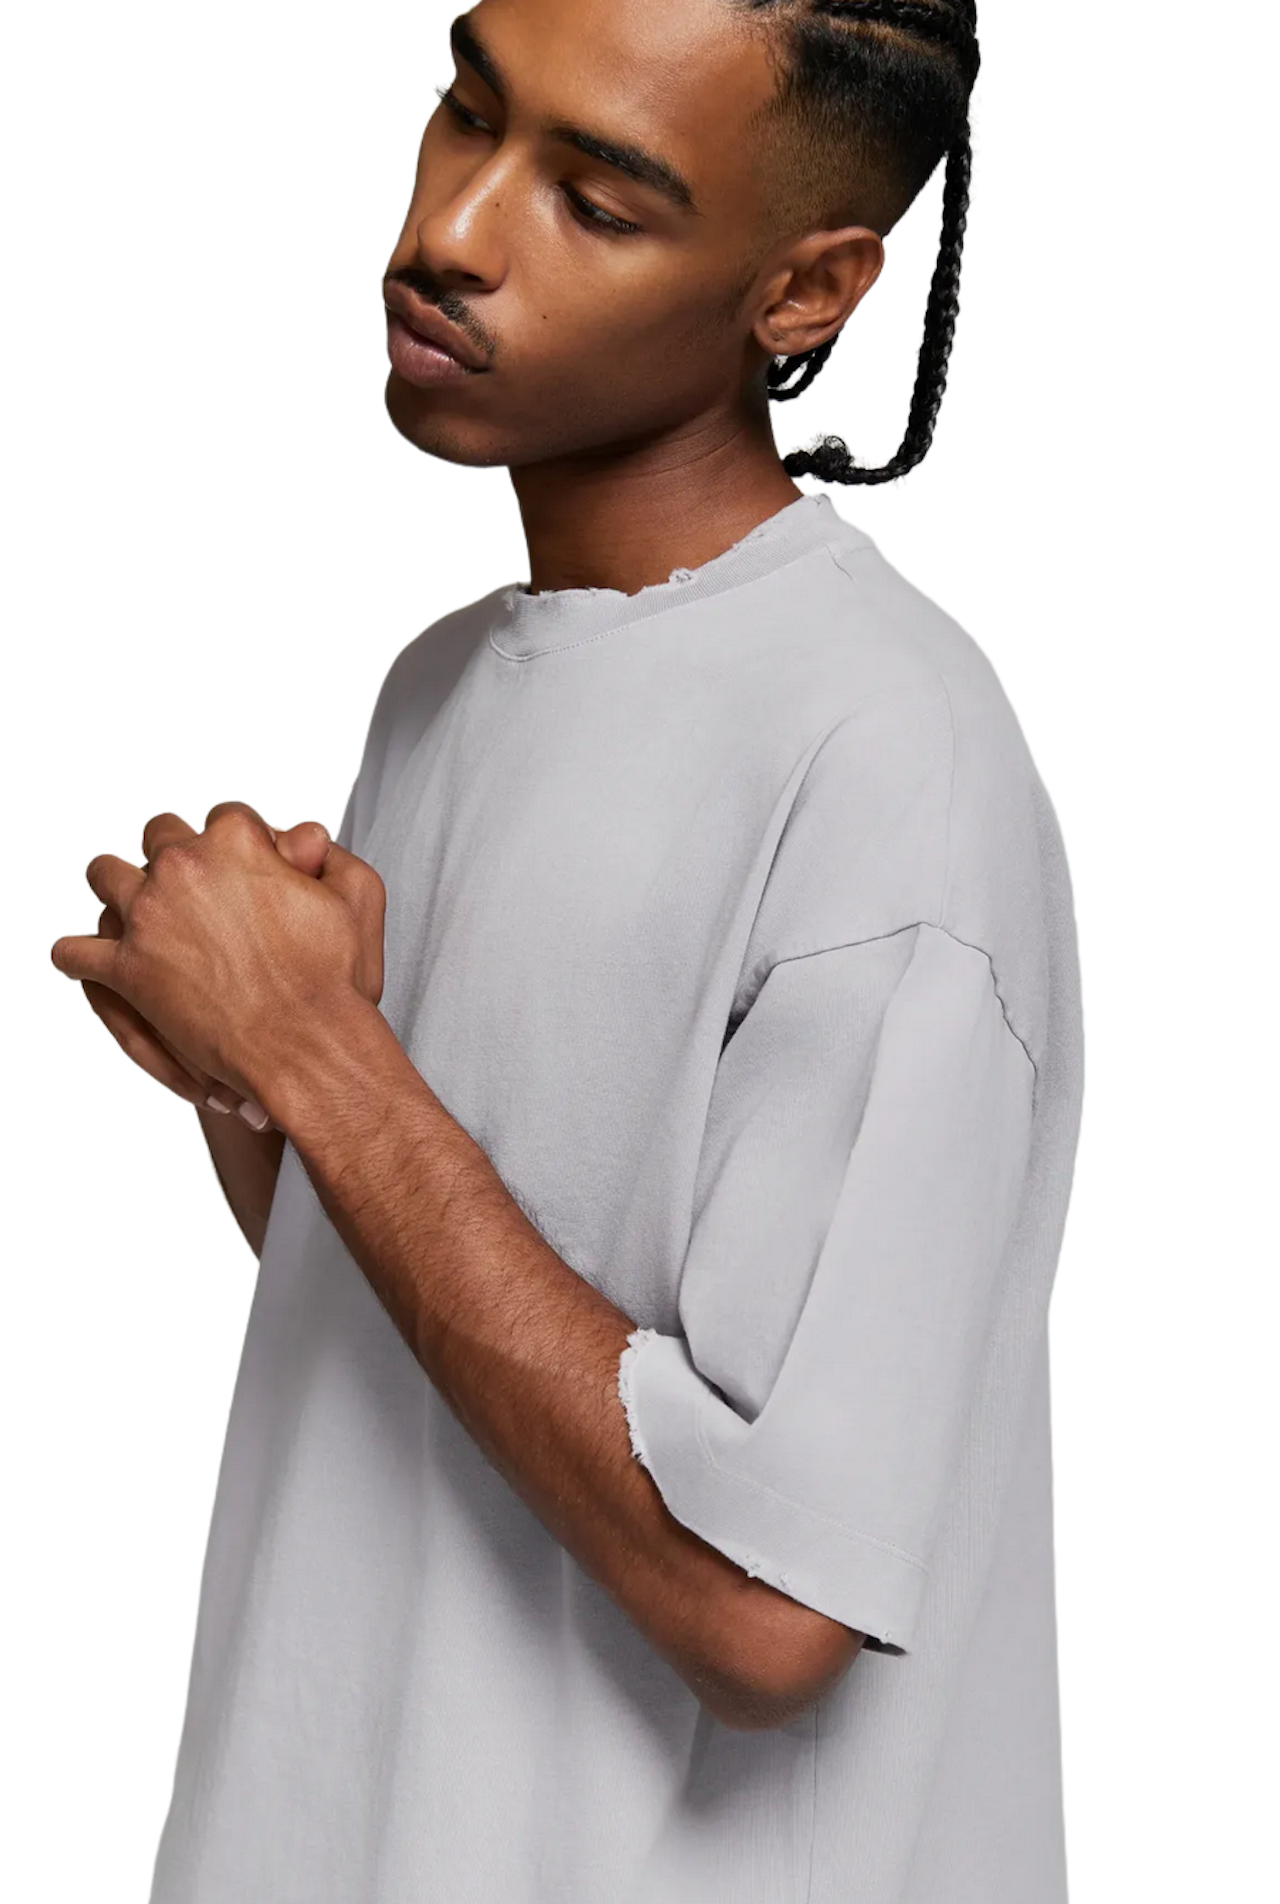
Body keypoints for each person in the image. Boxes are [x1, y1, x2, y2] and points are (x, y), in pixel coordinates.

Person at [51, 1, 1084, 1898]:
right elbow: (449, 1346)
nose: (451, 229)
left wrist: (325, 1057)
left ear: (805, 289)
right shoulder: (447, 684)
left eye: (598, 202)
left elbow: (771, 1604)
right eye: (468, 110)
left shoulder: (890, 762)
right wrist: (255, 1080)